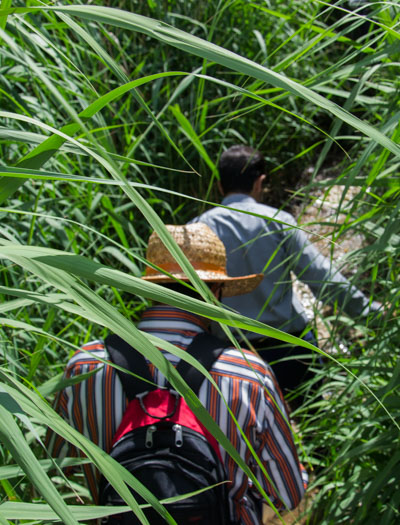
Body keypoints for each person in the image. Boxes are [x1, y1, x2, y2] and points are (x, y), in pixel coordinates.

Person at [48, 223, 306, 525]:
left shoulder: (85, 365)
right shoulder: (248, 375)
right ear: (215, 291)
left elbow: (52, 474)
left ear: (148, 287)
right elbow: (288, 495)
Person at [192, 145, 381, 394]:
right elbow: (321, 277)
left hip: (231, 357)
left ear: (219, 185)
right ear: (260, 182)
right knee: (313, 424)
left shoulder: (198, 229)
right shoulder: (278, 222)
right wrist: (370, 312)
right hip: (290, 349)